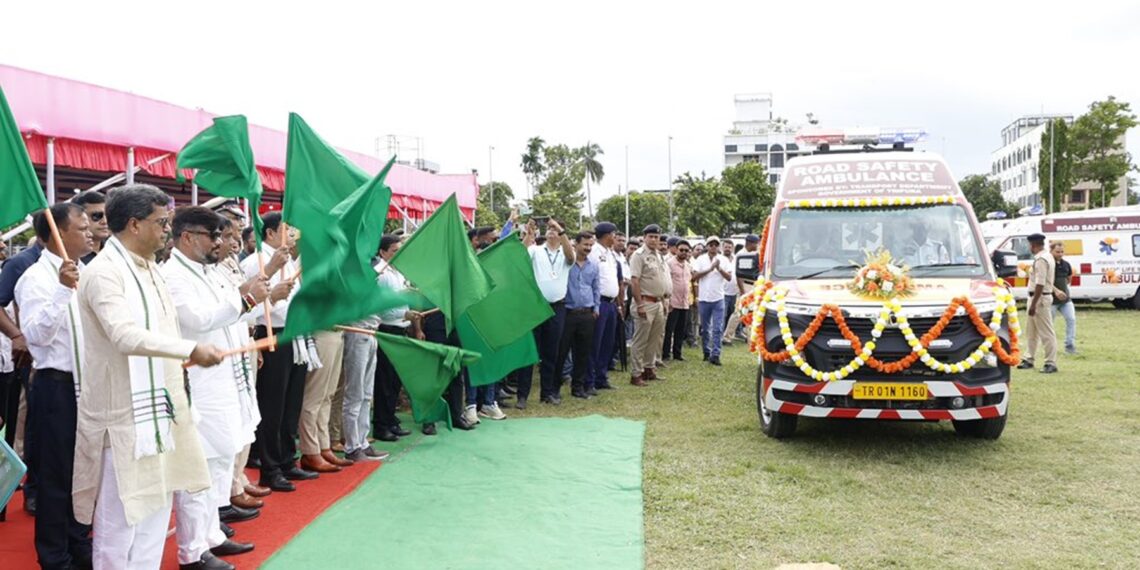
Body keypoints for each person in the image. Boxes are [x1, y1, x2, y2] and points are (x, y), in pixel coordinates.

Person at [72, 184, 226, 569]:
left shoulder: (151, 269)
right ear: (134, 224)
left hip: (160, 411)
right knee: (121, 520)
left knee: (155, 512)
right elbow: (123, 336)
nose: (167, 231)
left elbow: (163, 331)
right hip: (122, 417)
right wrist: (190, 349)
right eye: (161, 223)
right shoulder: (104, 273)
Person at [163, 207, 266, 569]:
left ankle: (212, 535)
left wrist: (253, 302)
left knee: (221, 458)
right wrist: (246, 299)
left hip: (226, 379)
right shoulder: (173, 275)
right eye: (213, 236)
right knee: (200, 466)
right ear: (188, 237)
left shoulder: (211, 271)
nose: (220, 243)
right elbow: (196, 320)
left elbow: (234, 316)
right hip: (200, 382)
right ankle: (192, 551)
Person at [15, 203, 94, 570]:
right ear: (58, 234)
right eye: (82, 226)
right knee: (56, 474)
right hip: (57, 387)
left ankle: (78, 543)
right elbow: (35, 336)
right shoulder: (36, 278)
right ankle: (54, 556)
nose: (90, 232)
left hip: (88, 384)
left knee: (83, 473)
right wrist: (62, 291)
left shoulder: (86, 272)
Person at [238, 212, 313, 492]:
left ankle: (286, 459)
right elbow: (246, 306)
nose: (291, 234)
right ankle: (269, 468)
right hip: (271, 333)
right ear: (269, 233)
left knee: (291, 403)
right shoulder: (256, 262)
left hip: (293, 333)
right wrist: (272, 297)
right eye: (285, 229)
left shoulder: (288, 259)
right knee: (272, 405)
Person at [367, 235, 419, 445]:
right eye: (394, 251)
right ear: (382, 252)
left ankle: (391, 420)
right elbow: (383, 307)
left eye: (400, 250)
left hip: (401, 328)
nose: (399, 254)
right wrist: (404, 314)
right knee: (385, 381)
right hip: (388, 329)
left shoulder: (398, 272)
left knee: (395, 380)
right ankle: (381, 425)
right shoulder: (381, 274)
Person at [519, 219, 573, 406]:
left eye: (555, 229)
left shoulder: (565, 251)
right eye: (549, 228)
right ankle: (522, 396)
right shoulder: (536, 250)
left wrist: (561, 230)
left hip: (557, 307)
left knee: (551, 352)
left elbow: (571, 258)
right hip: (535, 306)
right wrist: (529, 234)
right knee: (529, 352)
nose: (551, 231)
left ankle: (547, 393)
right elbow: (520, 255)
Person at [628, 225, 670, 386]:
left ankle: (649, 369)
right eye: (650, 236)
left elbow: (661, 279)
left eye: (656, 237)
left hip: (658, 302)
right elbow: (635, 281)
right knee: (640, 340)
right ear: (644, 237)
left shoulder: (659, 255)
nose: (653, 239)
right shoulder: (638, 255)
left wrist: (664, 301)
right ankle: (636, 373)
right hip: (645, 301)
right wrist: (639, 304)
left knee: (654, 339)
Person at [587, 222, 622, 393]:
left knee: (608, 342)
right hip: (599, 302)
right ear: (607, 235)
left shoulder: (611, 253)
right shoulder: (594, 252)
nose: (615, 237)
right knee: (595, 343)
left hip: (611, 303)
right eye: (614, 234)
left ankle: (601, 377)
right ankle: (589, 380)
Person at [1017, 233, 1058, 374]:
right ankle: (1029, 358)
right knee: (1031, 331)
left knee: (1046, 332)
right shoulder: (1047, 256)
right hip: (1037, 297)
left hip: (1039, 298)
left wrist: (1034, 304)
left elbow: (1040, 283)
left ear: (1033, 245)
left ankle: (1050, 362)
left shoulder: (1041, 259)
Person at [692, 236, 732, 365]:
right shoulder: (700, 259)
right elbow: (694, 277)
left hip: (718, 298)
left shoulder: (724, 260)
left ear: (718, 247)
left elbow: (729, 277)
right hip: (704, 298)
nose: (713, 247)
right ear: (707, 246)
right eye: (711, 244)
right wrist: (710, 269)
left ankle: (716, 354)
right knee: (705, 328)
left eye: (716, 245)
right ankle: (706, 352)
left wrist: (719, 268)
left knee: (717, 328)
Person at [663, 240, 693, 361]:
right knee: (669, 329)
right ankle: (665, 354)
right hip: (672, 302)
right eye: (681, 250)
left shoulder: (688, 265)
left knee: (681, 330)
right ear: (676, 249)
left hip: (684, 302)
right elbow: (666, 283)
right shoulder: (669, 264)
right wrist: (668, 300)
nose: (684, 252)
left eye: (686, 250)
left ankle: (677, 353)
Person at [1049, 242, 1077, 355]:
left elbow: (1069, 278)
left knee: (1071, 320)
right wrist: (1056, 290)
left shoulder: (1066, 264)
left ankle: (1070, 345)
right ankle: (1050, 348)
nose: (1060, 254)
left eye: (1062, 252)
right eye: (1057, 252)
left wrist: (1063, 290)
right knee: (1049, 324)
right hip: (1051, 301)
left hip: (1065, 300)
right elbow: (1045, 281)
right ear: (1051, 251)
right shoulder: (1048, 264)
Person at [73, 191, 110, 265]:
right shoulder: (69, 255)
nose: (105, 221)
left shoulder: (114, 251)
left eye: (107, 215)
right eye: (96, 216)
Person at [720, 239, 739, 344]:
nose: (727, 249)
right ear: (722, 248)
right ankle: (720, 336)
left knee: (733, 315)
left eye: (729, 247)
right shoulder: (719, 259)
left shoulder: (736, 259)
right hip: (723, 292)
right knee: (722, 315)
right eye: (726, 247)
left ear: (733, 248)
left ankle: (730, 335)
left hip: (735, 292)